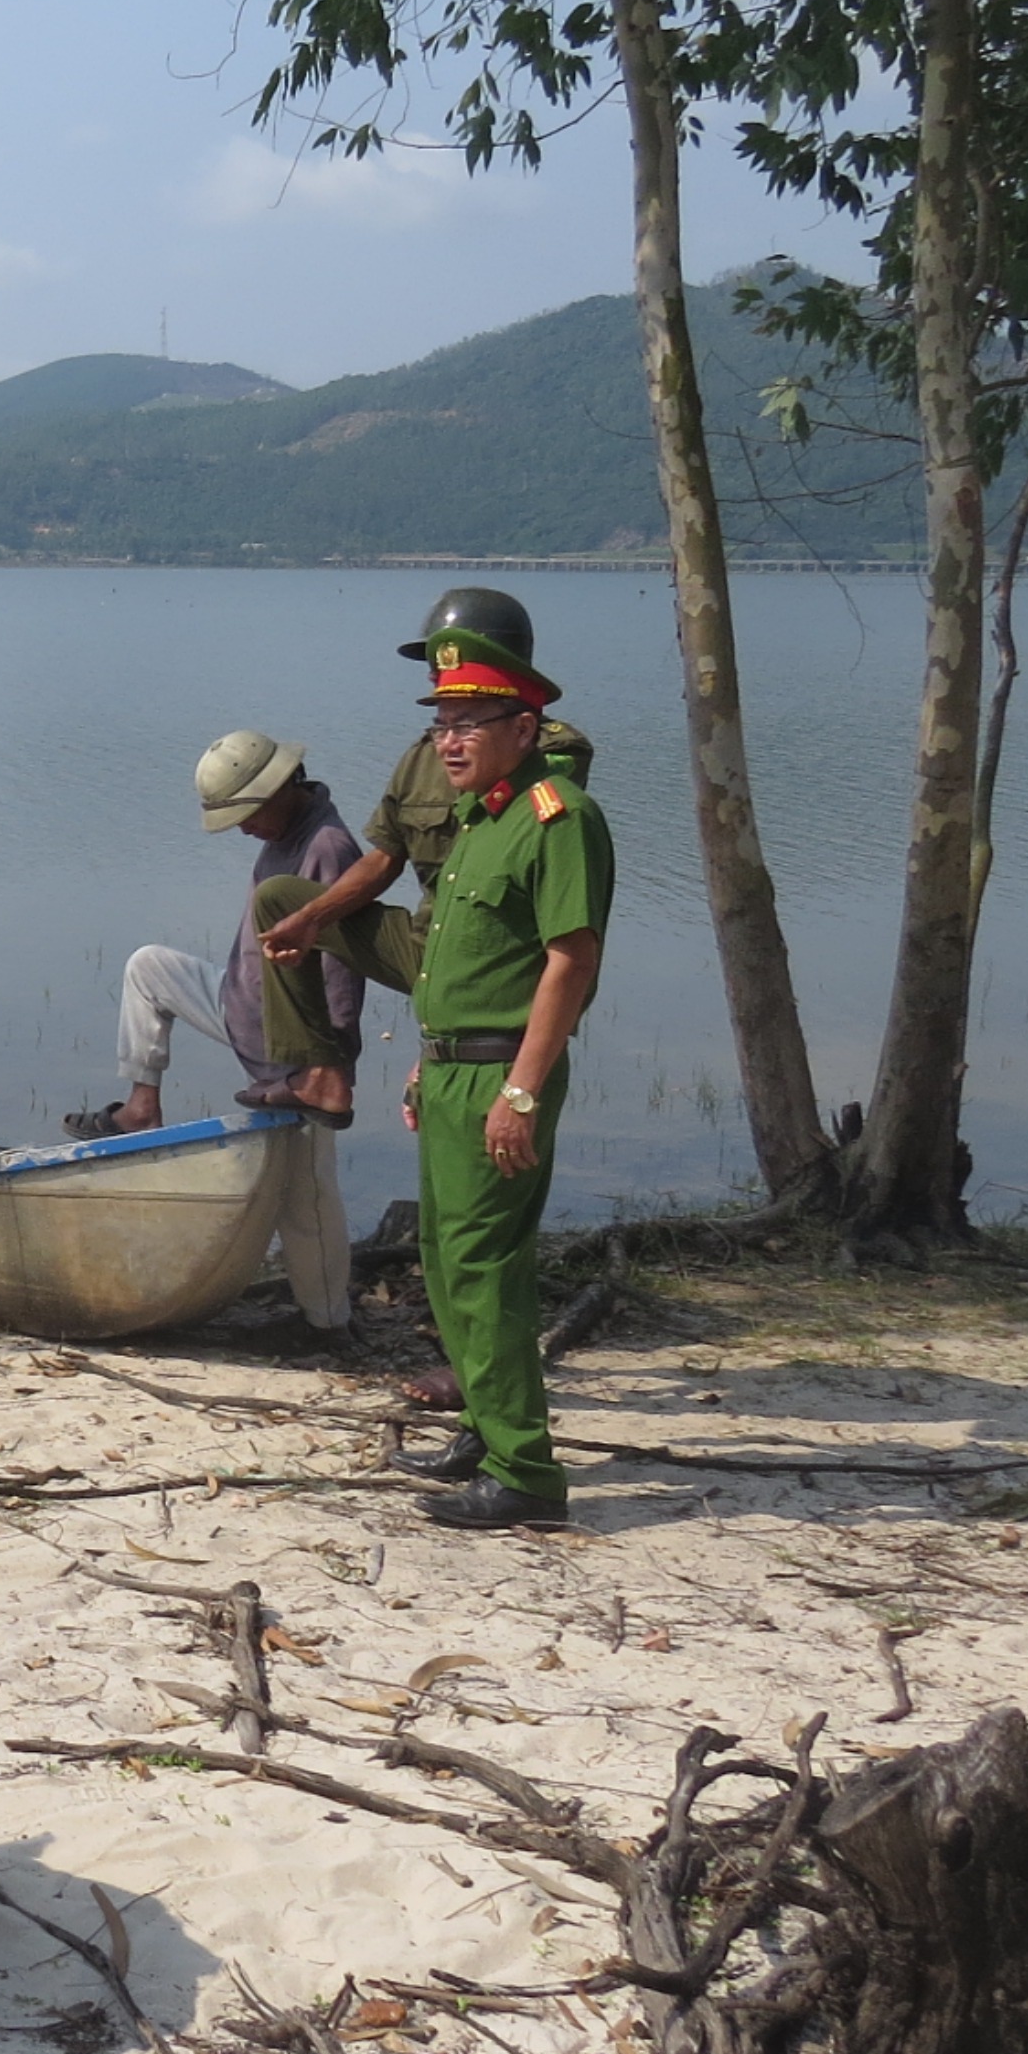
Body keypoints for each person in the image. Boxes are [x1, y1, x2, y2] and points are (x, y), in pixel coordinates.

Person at [393, 652, 615, 1530]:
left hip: (502, 1074)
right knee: (449, 1262)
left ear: (524, 730)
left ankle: (526, 1471)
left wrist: (520, 1092)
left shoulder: (559, 819)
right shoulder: (477, 821)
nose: (449, 741)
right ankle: (484, 1434)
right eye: (440, 724)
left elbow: (572, 959)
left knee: (487, 1266)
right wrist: (428, 1056)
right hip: (454, 1067)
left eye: (469, 724)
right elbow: (467, 959)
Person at [250, 587, 595, 1124]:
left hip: (489, 963)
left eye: (451, 661)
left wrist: (440, 1049)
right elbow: (386, 857)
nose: (438, 675)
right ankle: (321, 1074)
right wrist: (312, 919)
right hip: (424, 945)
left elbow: (522, 880)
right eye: (434, 666)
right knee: (280, 901)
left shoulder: (542, 751)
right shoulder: (424, 753)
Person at [63, 729, 362, 1333]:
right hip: (239, 1005)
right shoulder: (281, 836)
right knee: (149, 967)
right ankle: (141, 1107)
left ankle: (329, 1324)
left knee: (307, 1194)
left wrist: (326, 1066)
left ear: (281, 789)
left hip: (297, 1046)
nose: (245, 829)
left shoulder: (329, 848)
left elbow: (343, 967)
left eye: (247, 814)